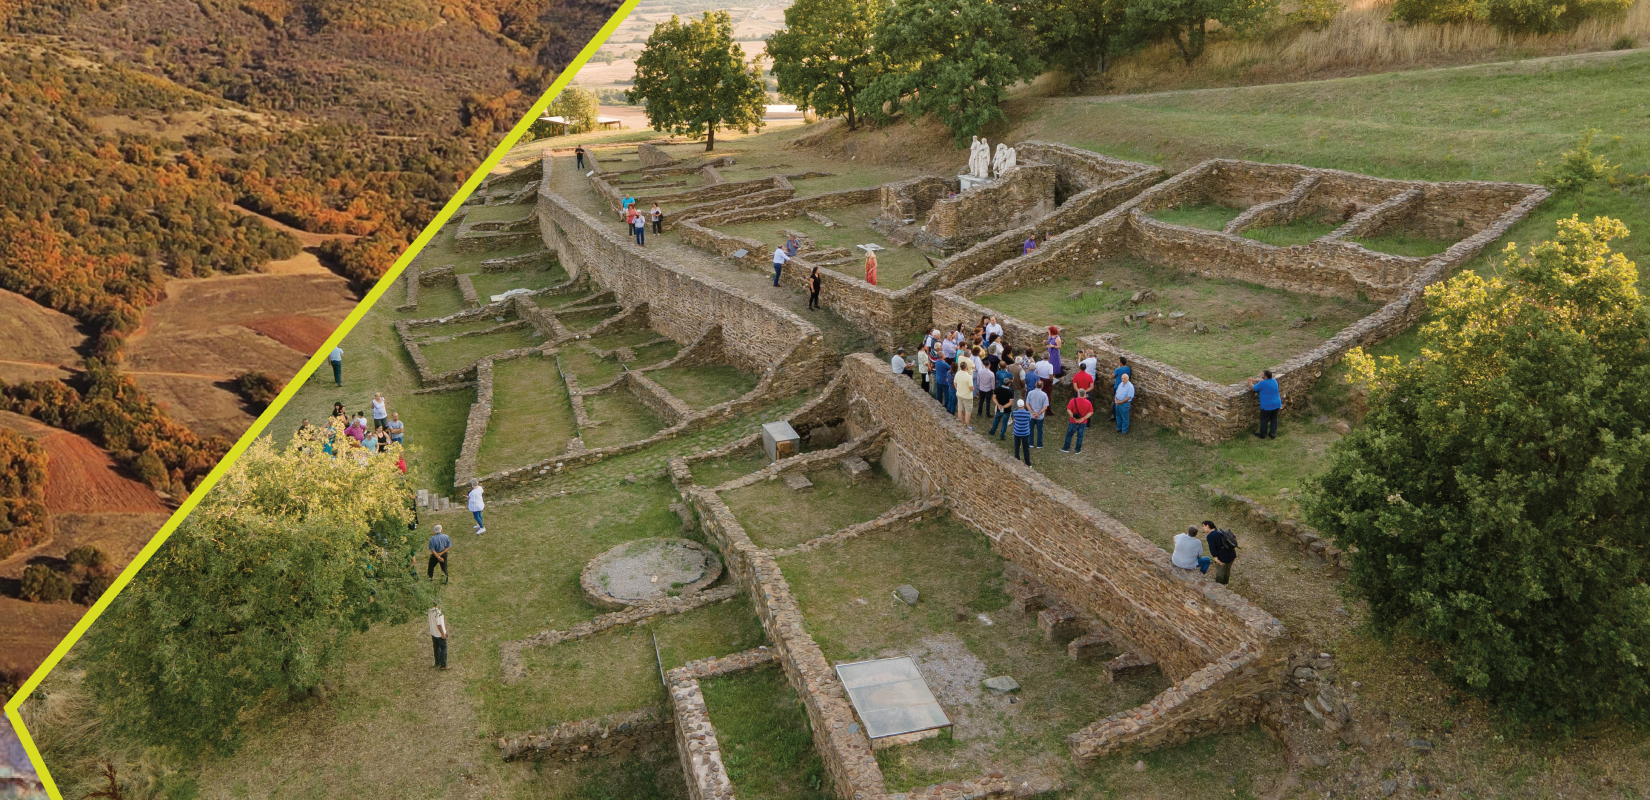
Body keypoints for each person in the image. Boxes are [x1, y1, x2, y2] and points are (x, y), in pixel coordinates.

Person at [1247, 370, 1282, 440]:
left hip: (1267, 405)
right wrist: (1254, 380)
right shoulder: (1274, 380)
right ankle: (1272, 433)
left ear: (1265, 376)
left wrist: (1250, 382)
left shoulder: (1262, 384)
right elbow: (1263, 380)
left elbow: (1253, 388)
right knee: (1274, 418)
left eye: (1262, 375)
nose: (1261, 376)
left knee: (1264, 419)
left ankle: (1262, 434)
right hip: (1277, 403)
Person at [1203, 521, 1237, 585]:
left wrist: (1215, 558)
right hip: (1231, 554)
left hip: (1222, 557)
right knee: (1227, 571)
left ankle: (1219, 587)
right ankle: (1225, 585)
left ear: (1207, 526)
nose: (1203, 528)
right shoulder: (1219, 530)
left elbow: (1212, 548)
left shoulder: (1210, 536)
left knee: (1220, 573)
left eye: (1203, 526)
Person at [1026, 381, 1049, 448]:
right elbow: (1045, 407)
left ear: (1035, 385)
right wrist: (1038, 413)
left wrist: (1032, 412)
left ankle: (1031, 443)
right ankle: (1039, 444)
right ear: (1042, 386)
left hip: (1031, 415)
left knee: (1030, 429)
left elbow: (1027, 404)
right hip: (1040, 416)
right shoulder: (1044, 395)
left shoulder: (1030, 393)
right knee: (1040, 430)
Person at [1011, 399, 1033, 466]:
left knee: (1017, 446)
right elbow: (1030, 419)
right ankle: (1027, 462)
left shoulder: (1014, 413)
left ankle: (1017, 459)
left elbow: (1014, 419)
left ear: (1018, 405)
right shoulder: (1028, 413)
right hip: (1025, 433)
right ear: (1023, 405)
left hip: (1017, 432)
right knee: (1026, 448)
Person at [954, 358, 975, 428]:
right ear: (966, 367)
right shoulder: (968, 376)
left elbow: (955, 383)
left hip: (959, 394)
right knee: (967, 411)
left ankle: (961, 424)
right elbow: (971, 388)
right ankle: (967, 426)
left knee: (960, 409)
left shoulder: (957, 373)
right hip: (967, 396)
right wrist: (973, 389)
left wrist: (957, 389)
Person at [428, 605, 449, 670]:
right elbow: (439, 625)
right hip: (439, 634)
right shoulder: (438, 613)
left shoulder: (430, 611)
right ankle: (443, 665)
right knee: (443, 648)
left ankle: (437, 662)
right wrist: (443, 634)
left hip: (433, 632)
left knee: (436, 647)